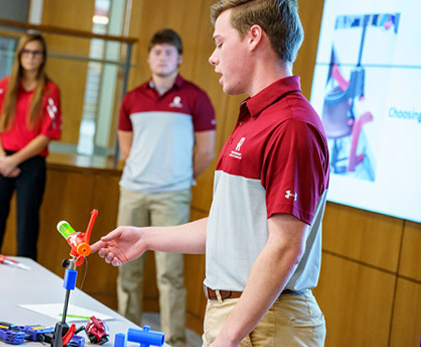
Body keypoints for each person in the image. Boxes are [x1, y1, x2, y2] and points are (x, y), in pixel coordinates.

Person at [93, 1, 329, 346]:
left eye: (220, 43)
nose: (212, 57)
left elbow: (285, 247)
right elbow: (229, 226)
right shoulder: (256, 118)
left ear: (253, 37)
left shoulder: (292, 125)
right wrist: (145, 237)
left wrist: (228, 338)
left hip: (266, 322)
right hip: (242, 316)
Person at [115, 28, 216, 347]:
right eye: (157, 52)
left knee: (169, 272)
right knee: (126, 266)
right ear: (149, 57)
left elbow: (205, 152)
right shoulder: (131, 98)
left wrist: (179, 178)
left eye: (168, 53)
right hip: (132, 190)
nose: (162, 58)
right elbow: (126, 149)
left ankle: (174, 340)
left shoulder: (195, 97)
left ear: (179, 58)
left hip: (172, 195)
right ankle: (125, 330)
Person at [0, 33, 61, 261]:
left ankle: (28, 280)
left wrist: (14, 161)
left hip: (31, 163)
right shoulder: (5, 85)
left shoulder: (50, 91)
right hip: (1, 159)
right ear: (19, 55)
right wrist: (2, 159)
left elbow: (47, 135)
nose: (31, 57)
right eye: (26, 51)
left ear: (43, 57)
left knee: (27, 225)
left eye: (36, 52)